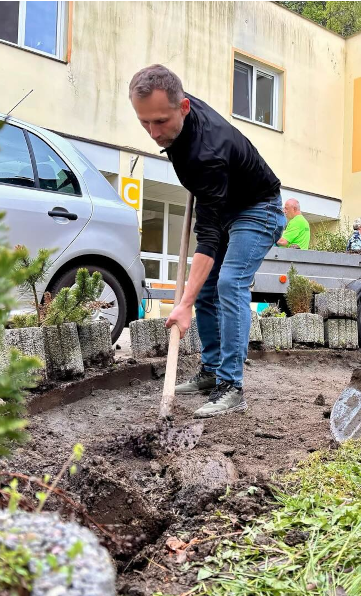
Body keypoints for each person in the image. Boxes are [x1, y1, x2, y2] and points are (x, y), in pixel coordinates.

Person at [129, 64, 285, 418]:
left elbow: (209, 236)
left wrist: (183, 305)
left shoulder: (207, 153)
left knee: (230, 283)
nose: (153, 133)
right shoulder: (174, 108)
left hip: (259, 208)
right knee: (207, 291)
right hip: (226, 205)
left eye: (161, 122)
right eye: (144, 122)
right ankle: (211, 372)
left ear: (184, 107)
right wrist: (192, 296)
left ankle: (231, 387)